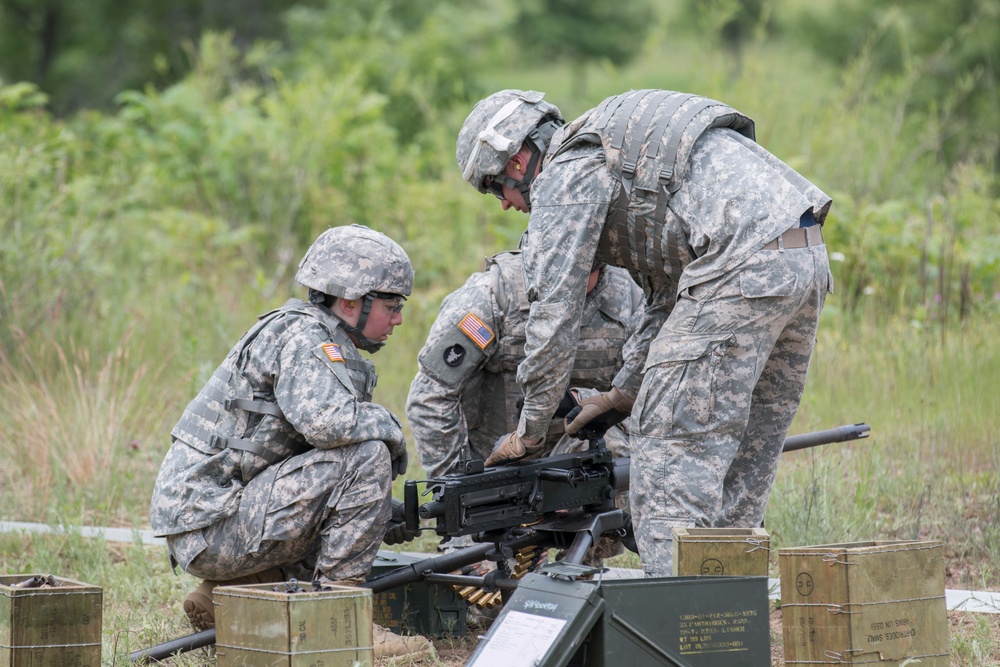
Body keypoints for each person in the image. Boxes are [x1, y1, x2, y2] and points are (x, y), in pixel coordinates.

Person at [455, 89, 833, 577]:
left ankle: (675, 630)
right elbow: (667, 297)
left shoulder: (566, 174)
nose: (505, 205)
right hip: (802, 254)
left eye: (495, 188)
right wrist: (624, 389)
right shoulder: (613, 153)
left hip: (741, 264)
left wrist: (530, 432)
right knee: (742, 459)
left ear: (519, 159)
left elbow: (552, 318)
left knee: (667, 454)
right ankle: (730, 619)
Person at [149, 224, 433, 660]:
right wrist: (391, 430)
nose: (397, 319)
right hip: (214, 525)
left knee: (359, 474)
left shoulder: (316, 336)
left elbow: (306, 457)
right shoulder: (305, 337)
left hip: (210, 525)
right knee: (368, 456)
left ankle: (228, 594)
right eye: (392, 306)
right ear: (351, 301)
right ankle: (339, 623)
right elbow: (329, 426)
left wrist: (376, 513)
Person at [406, 247, 643, 479]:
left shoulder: (633, 301)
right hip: (497, 472)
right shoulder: (493, 296)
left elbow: (655, 404)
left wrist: (586, 401)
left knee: (617, 455)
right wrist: (457, 484)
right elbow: (431, 395)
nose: (563, 284)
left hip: (587, 468)